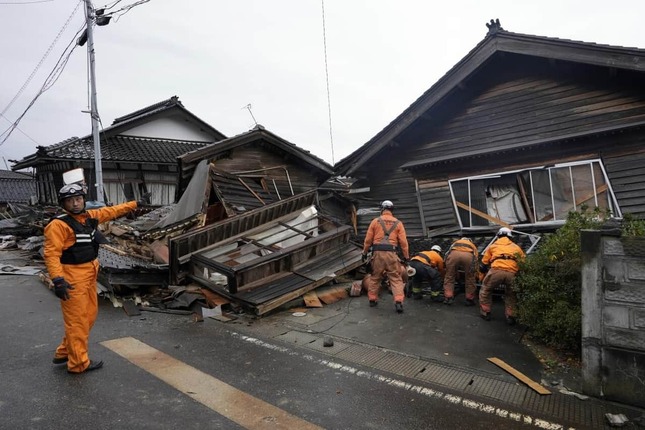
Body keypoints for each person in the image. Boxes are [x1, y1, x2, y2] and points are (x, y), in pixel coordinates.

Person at [44, 183, 149, 374]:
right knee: (77, 321)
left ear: (83, 199)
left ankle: (64, 352)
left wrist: (135, 204)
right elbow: (51, 254)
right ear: (63, 204)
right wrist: (58, 279)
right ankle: (78, 363)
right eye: (70, 201)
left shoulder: (89, 217)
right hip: (72, 277)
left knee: (89, 316)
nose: (75, 204)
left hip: (90, 274)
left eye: (78, 199)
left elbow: (112, 211)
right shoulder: (58, 225)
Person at [362, 200, 409, 313]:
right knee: (396, 278)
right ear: (392, 210)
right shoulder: (398, 223)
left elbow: (368, 240)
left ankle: (372, 299)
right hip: (392, 254)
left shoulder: (375, 221)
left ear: (382, 209)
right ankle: (398, 302)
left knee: (375, 277)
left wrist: (364, 253)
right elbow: (403, 243)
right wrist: (407, 258)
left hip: (377, 254)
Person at [479, 227, 526, 324]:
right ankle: (510, 316)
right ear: (510, 236)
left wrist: (482, 275)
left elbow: (483, 264)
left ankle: (485, 312)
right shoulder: (516, 248)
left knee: (486, 289)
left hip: (496, 270)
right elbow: (523, 264)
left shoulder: (493, 246)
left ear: (499, 236)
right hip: (512, 273)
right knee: (511, 294)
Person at [442, 237, 479, 306]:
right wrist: (475, 272)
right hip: (468, 256)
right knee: (470, 278)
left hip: (454, 255)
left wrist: (446, 265)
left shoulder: (455, 243)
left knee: (449, 276)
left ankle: (448, 297)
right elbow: (476, 258)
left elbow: (447, 253)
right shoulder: (471, 245)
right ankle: (469, 299)